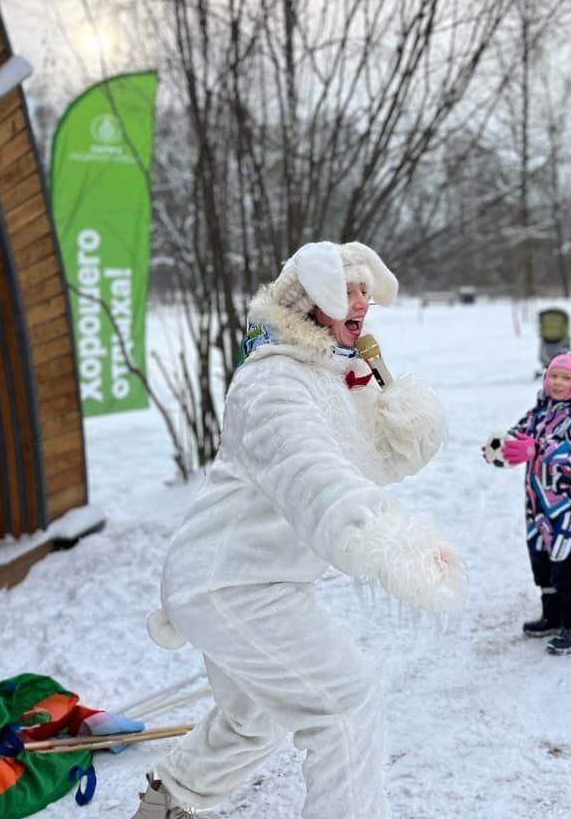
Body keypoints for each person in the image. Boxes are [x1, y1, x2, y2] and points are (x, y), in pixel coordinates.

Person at [131, 241, 463, 819]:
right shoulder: (272, 385)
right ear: (309, 303)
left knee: (252, 717)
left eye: (366, 291)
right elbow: (313, 474)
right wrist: (388, 540)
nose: (362, 303)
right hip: (232, 586)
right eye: (349, 292)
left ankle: (167, 806)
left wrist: (402, 421)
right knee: (343, 704)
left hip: (241, 582)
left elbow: (363, 461)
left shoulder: (325, 376)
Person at [483, 350, 571, 655]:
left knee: (568, 561)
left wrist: (536, 448)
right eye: (553, 375)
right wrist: (502, 449)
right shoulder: (538, 413)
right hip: (535, 505)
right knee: (542, 561)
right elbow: (516, 437)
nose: (558, 382)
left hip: (563, 506)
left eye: (566, 378)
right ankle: (554, 614)